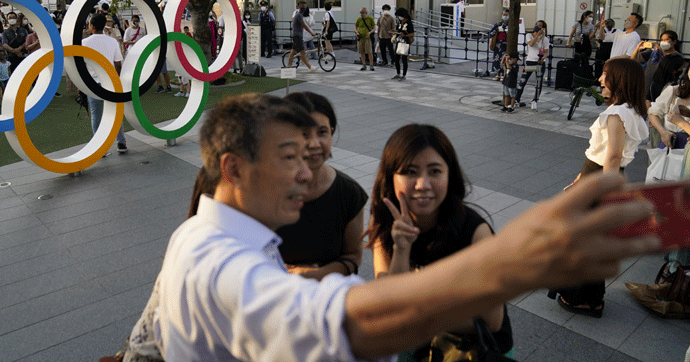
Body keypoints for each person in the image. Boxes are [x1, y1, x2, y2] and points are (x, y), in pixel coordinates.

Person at [134, 92, 659, 362]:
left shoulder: (199, 236)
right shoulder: (222, 261)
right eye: (289, 156)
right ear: (232, 169)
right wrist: (512, 263)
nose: (305, 171)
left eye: (310, 151)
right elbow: (351, 324)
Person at [366, 124, 513, 361]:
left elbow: (492, 320)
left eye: (434, 171)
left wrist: (416, 316)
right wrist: (401, 250)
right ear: (391, 176)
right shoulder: (386, 224)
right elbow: (391, 304)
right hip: (418, 340)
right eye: (410, 172)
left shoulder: (475, 233)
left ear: (449, 175)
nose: (423, 184)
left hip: (474, 349)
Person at [549, 57, 649, 318]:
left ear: (620, 80)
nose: (600, 80)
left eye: (606, 75)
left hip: (602, 178)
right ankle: (589, 298)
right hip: (598, 174)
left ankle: (585, 299)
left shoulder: (617, 113)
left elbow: (613, 156)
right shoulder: (630, 109)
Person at [276, 92, 366, 280]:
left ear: (332, 132)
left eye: (322, 132)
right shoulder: (265, 190)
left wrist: (312, 275)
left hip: (327, 298)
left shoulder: (350, 194)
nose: (314, 143)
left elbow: (353, 256)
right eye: (304, 134)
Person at [82, 13, 127, 154]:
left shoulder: (84, 43)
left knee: (96, 116)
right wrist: (116, 78)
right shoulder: (112, 41)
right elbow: (118, 63)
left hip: (93, 83)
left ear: (92, 26)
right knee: (115, 114)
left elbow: (81, 66)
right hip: (111, 83)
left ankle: (99, 147)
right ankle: (121, 143)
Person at [632, 30, 683, 101]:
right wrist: (637, 49)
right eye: (662, 40)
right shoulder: (654, 52)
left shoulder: (677, 57)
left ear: (674, 42)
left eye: (666, 40)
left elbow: (667, 68)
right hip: (646, 86)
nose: (663, 42)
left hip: (663, 89)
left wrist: (659, 53)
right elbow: (634, 59)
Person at [648, 64, 690, 149]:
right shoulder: (674, 91)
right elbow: (653, 112)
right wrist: (663, 132)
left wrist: (681, 123)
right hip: (669, 146)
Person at [516, 20, 549, 110]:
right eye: (536, 25)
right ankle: (517, 99)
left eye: (540, 26)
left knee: (538, 82)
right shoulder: (529, 36)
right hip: (530, 61)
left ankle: (535, 100)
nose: (537, 27)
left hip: (539, 62)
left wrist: (543, 58)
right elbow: (531, 44)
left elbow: (546, 52)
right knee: (523, 80)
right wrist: (537, 35)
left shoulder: (545, 39)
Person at [286, 3, 317, 72]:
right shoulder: (299, 15)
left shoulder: (300, 15)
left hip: (297, 35)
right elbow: (304, 26)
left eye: (305, 7)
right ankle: (310, 67)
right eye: (303, 7)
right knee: (302, 52)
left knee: (293, 51)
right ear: (299, 7)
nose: (304, 8)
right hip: (297, 36)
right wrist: (311, 33)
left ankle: (288, 65)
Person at [392, 7, 415, 81]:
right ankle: (398, 73)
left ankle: (404, 75)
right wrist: (395, 32)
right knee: (396, 58)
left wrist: (404, 35)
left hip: (405, 42)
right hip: (399, 42)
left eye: (399, 15)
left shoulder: (409, 23)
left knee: (404, 59)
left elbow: (412, 33)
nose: (399, 17)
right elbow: (398, 30)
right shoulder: (399, 22)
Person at [489, 9, 510, 81]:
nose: (505, 16)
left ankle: (503, 74)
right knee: (496, 59)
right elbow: (491, 32)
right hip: (498, 43)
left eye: (506, 15)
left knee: (504, 58)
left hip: (506, 43)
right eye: (504, 15)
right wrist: (497, 30)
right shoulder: (498, 23)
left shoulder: (510, 24)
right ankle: (497, 74)